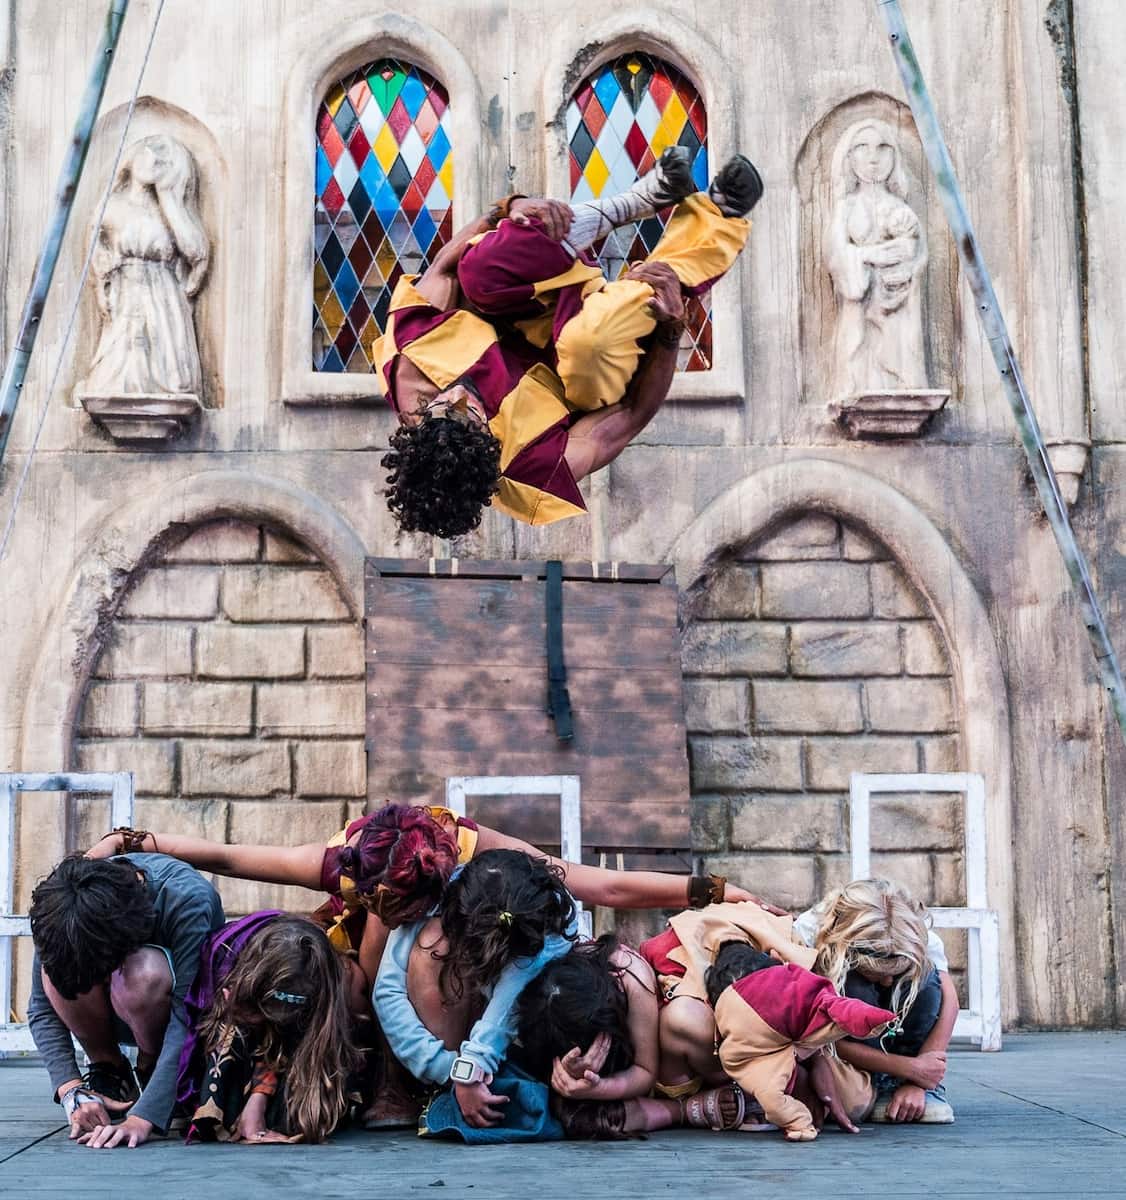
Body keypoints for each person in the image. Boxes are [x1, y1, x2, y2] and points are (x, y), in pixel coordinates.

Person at [377, 144, 763, 534]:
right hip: (588, 361)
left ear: (418, 419)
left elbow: (446, 267)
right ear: (491, 452)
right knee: (590, 340)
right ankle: (716, 215)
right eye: (473, 416)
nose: (460, 396)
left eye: (443, 406)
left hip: (540, 292)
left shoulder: (410, 356)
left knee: (479, 269)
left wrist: (508, 207)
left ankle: (636, 201)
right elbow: (631, 415)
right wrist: (671, 330)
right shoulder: (533, 471)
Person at [88, 805, 754, 990]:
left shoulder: (471, 851)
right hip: (376, 979)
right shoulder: (343, 868)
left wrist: (714, 891)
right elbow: (228, 854)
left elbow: (595, 884)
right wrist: (127, 840)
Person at [26, 851, 224, 1149]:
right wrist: (71, 1090)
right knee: (56, 972)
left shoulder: (186, 899)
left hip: (167, 1013)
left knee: (143, 973)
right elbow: (41, 1008)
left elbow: (189, 1015)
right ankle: (111, 1073)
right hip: (111, 1009)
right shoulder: (61, 907)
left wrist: (143, 1118)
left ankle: (153, 1068)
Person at [513, 935, 746, 1138]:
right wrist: (572, 1080)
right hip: (627, 1084)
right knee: (588, 1120)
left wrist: (599, 1087)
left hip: (668, 1061)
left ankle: (740, 1089)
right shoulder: (541, 1003)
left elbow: (645, 1071)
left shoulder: (628, 972)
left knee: (683, 1019)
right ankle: (681, 1110)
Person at [176, 913, 361, 1144]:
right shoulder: (227, 957)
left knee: (304, 1108)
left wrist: (261, 1095)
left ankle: (281, 1115)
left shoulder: (323, 986)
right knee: (230, 1028)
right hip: (239, 1036)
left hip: (298, 1043)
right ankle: (237, 1115)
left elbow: (287, 1037)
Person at [797, 879, 958, 1124]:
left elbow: (949, 1003)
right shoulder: (808, 931)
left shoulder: (912, 931)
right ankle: (877, 1082)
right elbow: (815, 1034)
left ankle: (914, 1088)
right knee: (854, 987)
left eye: (893, 972)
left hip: (909, 1061)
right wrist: (908, 1067)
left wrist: (920, 1080)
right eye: (879, 972)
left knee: (925, 980)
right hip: (829, 1045)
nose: (886, 982)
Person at [705, 941, 896, 1141]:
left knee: (854, 1102)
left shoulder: (791, 961)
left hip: (816, 1050)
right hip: (754, 1065)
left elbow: (823, 1009)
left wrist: (817, 1059)